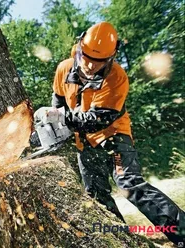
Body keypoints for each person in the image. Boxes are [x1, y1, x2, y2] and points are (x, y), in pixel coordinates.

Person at [37, 21, 185, 245]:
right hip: (83, 142)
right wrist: (55, 122)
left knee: (129, 184)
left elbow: (98, 120)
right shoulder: (64, 69)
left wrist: (64, 119)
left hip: (114, 137)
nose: (89, 65)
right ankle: (120, 240)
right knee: (96, 195)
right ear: (79, 47)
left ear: (109, 58)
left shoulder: (116, 77)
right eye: (86, 57)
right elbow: (58, 102)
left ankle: (181, 232)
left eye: (97, 62)